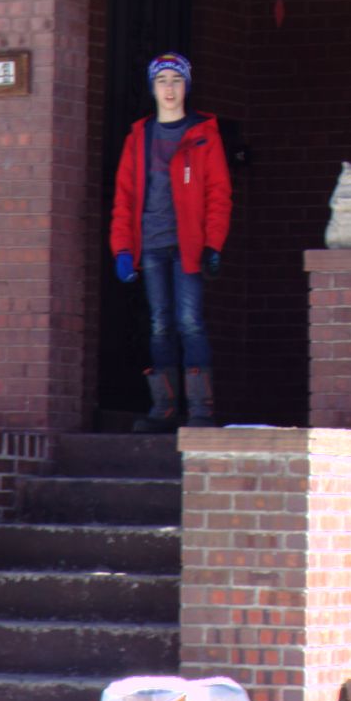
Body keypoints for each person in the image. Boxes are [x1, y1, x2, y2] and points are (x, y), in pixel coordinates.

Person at [109, 51, 232, 432]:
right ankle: (163, 408)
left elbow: (219, 193)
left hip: (189, 246)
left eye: (176, 81)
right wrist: (123, 250)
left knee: (189, 321)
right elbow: (124, 196)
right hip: (153, 245)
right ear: (152, 88)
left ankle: (200, 410)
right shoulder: (139, 136)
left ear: (186, 87)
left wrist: (214, 244)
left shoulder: (203, 133)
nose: (169, 89)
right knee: (160, 323)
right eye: (162, 81)